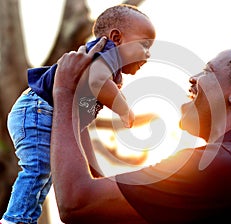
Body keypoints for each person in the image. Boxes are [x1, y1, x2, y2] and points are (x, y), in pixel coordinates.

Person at [50, 43, 231, 223]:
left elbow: (77, 203)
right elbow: (99, 209)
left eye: (208, 71)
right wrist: (79, 108)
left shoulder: (220, 166)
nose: (193, 78)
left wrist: (63, 90)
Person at [1, 4, 155, 224]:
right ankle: (16, 219)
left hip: (37, 112)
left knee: (44, 173)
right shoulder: (106, 52)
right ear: (116, 38)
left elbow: (79, 119)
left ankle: (24, 217)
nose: (148, 54)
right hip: (37, 110)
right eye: (144, 45)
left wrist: (95, 171)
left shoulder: (106, 64)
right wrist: (124, 110)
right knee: (37, 169)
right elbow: (97, 80)